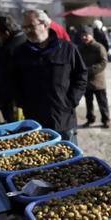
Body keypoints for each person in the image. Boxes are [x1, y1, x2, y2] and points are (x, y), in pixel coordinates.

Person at [12, 9, 87, 144]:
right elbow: (14, 81)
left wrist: (70, 101)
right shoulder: (20, 53)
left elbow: (81, 76)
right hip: (34, 120)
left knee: (69, 160)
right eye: (24, 27)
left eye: (31, 26)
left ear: (45, 25)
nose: (27, 30)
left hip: (63, 119)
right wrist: (22, 102)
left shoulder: (67, 49)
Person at [0, 15, 26, 123]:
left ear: (6, 33)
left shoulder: (19, 46)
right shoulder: (1, 43)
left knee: (17, 125)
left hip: (15, 98)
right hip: (3, 95)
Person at [78, 25, 110, 128]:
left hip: (98, 82)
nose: (84, 37)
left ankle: (106, 119)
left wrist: (88, 70)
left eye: (86, 35)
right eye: (82, 35)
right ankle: (90, 119)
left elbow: (103, 62)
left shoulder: (99, 47)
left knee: (102, 102)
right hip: (86, 82)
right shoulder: (80, 48)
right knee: (88, 103)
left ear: (91, 35)